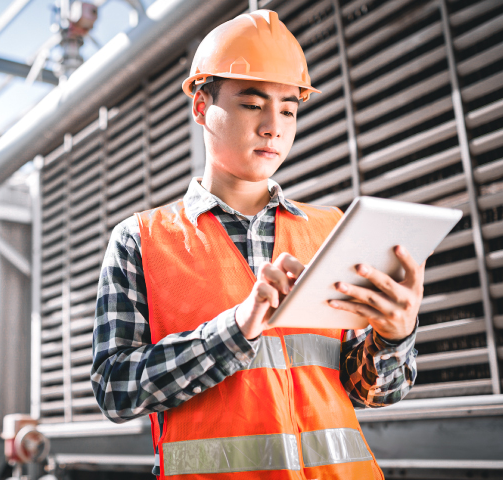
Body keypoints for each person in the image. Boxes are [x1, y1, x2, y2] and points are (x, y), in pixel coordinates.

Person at [91, 9, 421, 479]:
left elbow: (374, 392)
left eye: (288, 109)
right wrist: (236, 329)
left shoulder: (332, 230)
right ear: (201, 106)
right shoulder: (141, 240)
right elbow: (114, 390)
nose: (274, 127)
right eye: (252, 104)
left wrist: (395, 335)